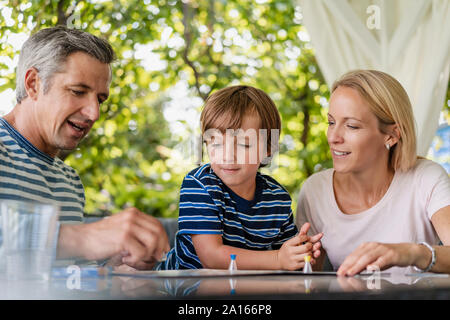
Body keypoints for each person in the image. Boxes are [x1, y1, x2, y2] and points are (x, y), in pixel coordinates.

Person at [0, 26, 169, 269]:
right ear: (33, 83)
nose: (94, 113)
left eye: (100, 99)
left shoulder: (69, 181)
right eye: (78, 91)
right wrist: (83, 237)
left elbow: (62, 276)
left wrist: (116, 270)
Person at [296, 69, 450, 276]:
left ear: (392, 135)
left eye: (351, 126)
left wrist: (411, 252)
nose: (333, 137)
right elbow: (309, 279)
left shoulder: (426, 178)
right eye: (331, 122)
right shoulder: (315, 190)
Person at [158, 85, 323, 270]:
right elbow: (211, 258)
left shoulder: (277, 198)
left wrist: (301, 252)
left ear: (267, 149)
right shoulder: (199, 184)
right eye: (217, 143)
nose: (228, 155)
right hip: (182, 286)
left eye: (244, 144)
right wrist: (278, 259)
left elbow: (287, 255)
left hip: (239, 286)